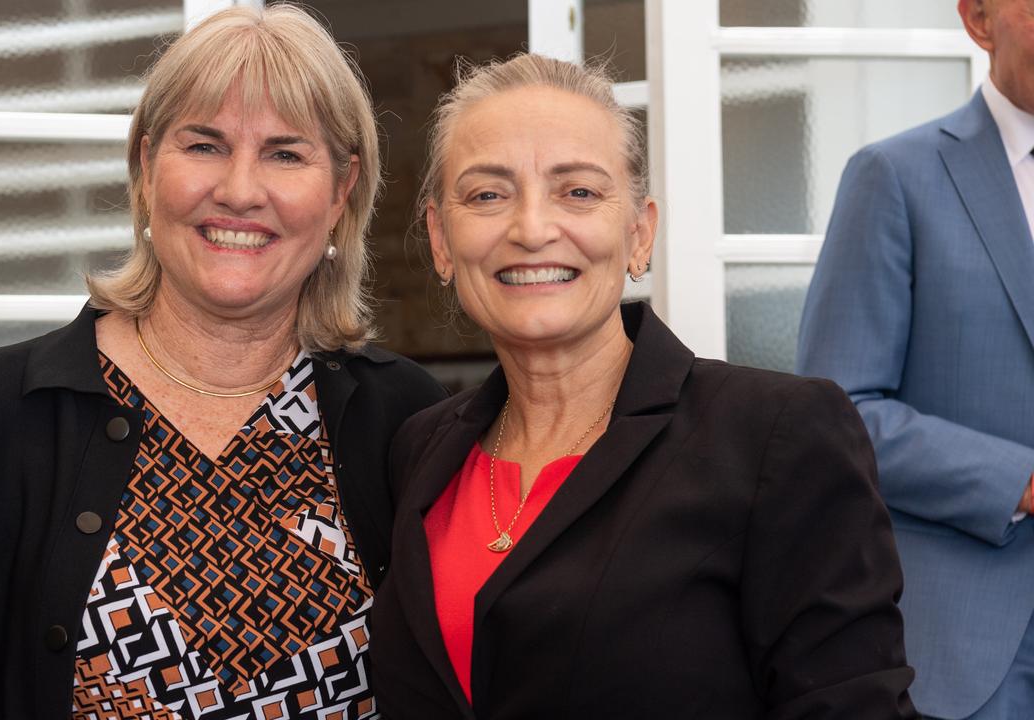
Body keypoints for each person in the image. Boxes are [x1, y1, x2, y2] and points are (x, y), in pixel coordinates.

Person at [0, 6, 445, 718]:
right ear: (144, 163)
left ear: (342, 190)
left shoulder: (408, 421)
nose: (240, 190)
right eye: (204, 145)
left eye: (286, 153)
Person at [368, 53, 916, 719]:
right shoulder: (419, 448)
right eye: (488, 194)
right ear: (441, 241)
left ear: (639, 232)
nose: (532, 228)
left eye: (579, 192)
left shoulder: (777, 435)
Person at [796, 1, 1034, 717]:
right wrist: (1022, 480)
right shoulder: (893, 176)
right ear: (979, 19)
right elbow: (838, 415)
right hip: (971, 651)